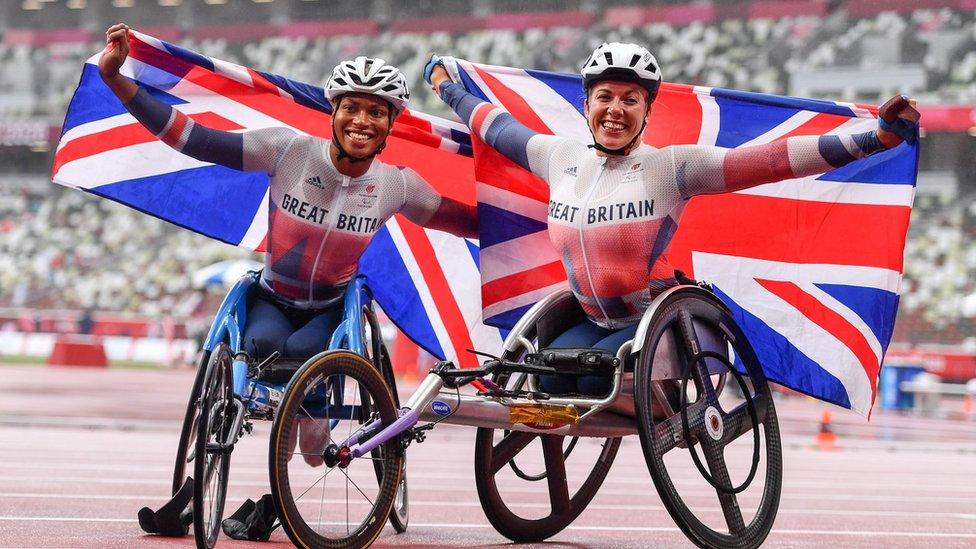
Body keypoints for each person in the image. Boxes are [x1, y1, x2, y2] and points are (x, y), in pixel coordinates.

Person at [99, 23, 476, 539]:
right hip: (271, 298)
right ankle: (202, 478)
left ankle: (278, 494)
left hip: (331, 312)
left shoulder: (396, 185)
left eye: (376, 111)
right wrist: (117, 79)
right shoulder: (287, 151)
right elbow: (194, 140)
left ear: (392, 123)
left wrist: (557, 214)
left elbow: (468, 221)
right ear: (333, 111)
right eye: (352, 107)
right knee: (261, 348)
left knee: (315, 449)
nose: (362, 120)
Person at [425, 42, 919, 396]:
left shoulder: (671, 167)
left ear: (647, 109)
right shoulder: (558, 157)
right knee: (547, 380)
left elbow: (773, 160)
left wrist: (875, 139)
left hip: (653, 322)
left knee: (593, 377)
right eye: (605, 97)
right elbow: (496, 127)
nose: (615, 110)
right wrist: (447, 87)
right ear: (587, 104)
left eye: (630, 100)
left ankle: (666, 406)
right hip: (592, 320)